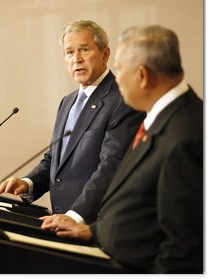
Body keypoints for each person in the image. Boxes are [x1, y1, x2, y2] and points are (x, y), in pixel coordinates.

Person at [40, 25, 203, 274]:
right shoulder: (163, 118)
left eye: (121, 69)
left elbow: (183, 246)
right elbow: (145, 208)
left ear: (143, 76)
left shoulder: (186, 134)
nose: (117, 79)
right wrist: (92, 230)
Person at [0, 20, 144, 224]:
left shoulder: (123, 99)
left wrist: (75, 216)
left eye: (84, 50)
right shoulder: (68, 101)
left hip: (95, 224)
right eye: (69, 52)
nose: (76, 59)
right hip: (61, 221)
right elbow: (55, 158)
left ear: (105, 54)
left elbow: (112, 166)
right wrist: (28, 183)